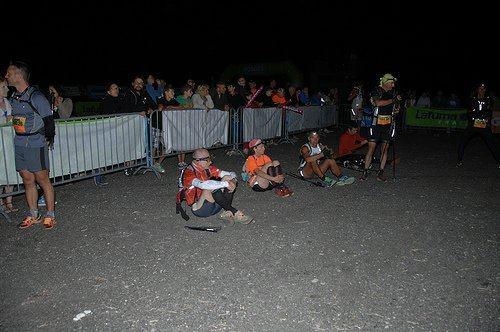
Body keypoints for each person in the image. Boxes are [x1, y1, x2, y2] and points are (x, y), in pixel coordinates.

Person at [5, 61, 56, 229]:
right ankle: (33, 213)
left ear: (19, 75)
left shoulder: (36, 96)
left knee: (43, 180)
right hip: (20, 142)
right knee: (27, 180)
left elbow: (49, 121)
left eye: (9, 73)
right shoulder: (14, 97)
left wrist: (48, 139)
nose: (7, 76)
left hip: (35, 143)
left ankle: (50, 214)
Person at [180, 148, 253, 224]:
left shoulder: (207, 168)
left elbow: (231, 174)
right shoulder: (188, 172)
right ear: (198, 161)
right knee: (210, 186)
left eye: (210, 158)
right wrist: (226, 184)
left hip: (215, 206)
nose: (210, 162)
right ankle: (234, 211)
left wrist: (233, 181)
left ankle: (227, 212)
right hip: (200, 209)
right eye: (208, 160)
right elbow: (203, 185)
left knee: (227, 178)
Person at [360, 73, 402, 182]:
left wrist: (397, 108)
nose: (393, 85)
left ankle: (381, 173)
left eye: (393, 83)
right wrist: (393, 100)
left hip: (388, 124)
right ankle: (365, 171)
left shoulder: (394, 93)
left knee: (385, 149)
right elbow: (378, 103)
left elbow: (397, 107)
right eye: (391, 83)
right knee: (371, 148)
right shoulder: (377, 91)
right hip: (376, 123)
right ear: (385, 82)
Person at [457, 82, 499, 167]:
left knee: (492, 144)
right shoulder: (472, 99)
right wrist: (476, 115)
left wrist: (481, 116)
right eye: (480, 88)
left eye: (484, 89)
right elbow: (469, 112)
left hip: (484, 126)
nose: (482, 90)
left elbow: (489, 112)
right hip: (473, 125)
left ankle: (499, 161)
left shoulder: (488, 99)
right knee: (462, 141)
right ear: (477, 89)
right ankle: (459, 160)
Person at [0, 77, 19, 213]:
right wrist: (4, 120)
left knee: (9, 171)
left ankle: (9, 202)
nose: (7, 89)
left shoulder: (8, 102)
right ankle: (1, 203)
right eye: (3, 87)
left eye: (6, 87)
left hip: (9, 143)